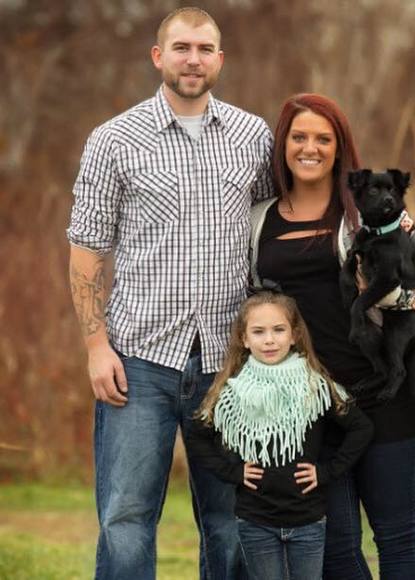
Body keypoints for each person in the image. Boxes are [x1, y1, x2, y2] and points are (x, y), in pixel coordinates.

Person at [67, 7, 272, 579]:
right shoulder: (114, 139)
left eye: (205, 49)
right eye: (182, 48)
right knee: (126, 517)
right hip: (137, 362)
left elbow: (273, 230)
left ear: (220, 60)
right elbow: (86, 251)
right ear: (158, 56)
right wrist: (96, 348)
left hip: (230, 363)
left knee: (231, 520)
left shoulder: (254, 137)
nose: (193, 60)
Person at [249, 93, 415, 579]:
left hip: (386, 392)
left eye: (324, 139)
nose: (310, 148)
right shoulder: (258, 220)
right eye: (299, 137)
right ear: (283, 145)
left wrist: (385, 296)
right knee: (334, 550)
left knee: (397, 538)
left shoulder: (370, 214)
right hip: (311, 406)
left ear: (340, 148)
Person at [186, 291, 374, 580]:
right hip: (255, 521)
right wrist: (232, 472)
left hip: (309, 520)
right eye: (258, 332)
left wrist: (327, 471)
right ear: (244, 339)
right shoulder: (232, 392)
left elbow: (361, 428)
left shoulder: (315, 386)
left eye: (278, 330)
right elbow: (197, 436)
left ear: (294, 335)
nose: (269, 340)